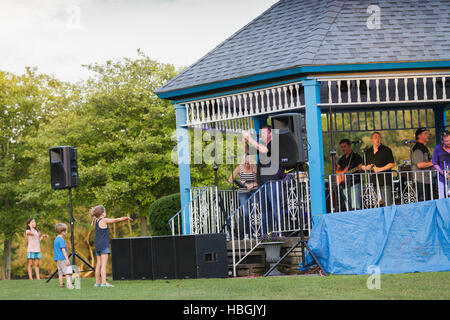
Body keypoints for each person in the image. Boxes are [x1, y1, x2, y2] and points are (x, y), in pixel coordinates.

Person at [242, 126, 284, 235]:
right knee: (264, 211)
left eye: (263, 134)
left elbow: (264, 150)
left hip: (273, 183)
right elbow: (247, 151)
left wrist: (250, 138)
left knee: (275, 209)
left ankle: (281, 233)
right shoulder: (261, 145)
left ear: (270, 134)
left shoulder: (274, 143)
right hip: (262, 184)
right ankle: (267, 235)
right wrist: (245, 142)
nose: (261, 136)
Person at [90, 205, 133, 287]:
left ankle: (97, 283)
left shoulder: (95, 220)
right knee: (103, 265)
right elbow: (115, 220)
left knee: (98, 264)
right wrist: (126, 218)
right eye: (105, 211)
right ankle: (104, 283)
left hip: (97, 245)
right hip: (104, 245)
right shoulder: (104, 220)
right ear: (102, 214)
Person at [360, 132, 395, 206]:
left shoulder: (386, 150)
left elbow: (392, 164)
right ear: (372, 140)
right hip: (373, 182)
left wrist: (380, 169)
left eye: (379, 137)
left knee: (387, 203)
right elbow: (362, 166)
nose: (378, 139)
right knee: (376, 205)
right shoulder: (367, 152)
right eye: (375, 138)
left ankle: (389, 217)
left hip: (385, 181)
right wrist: (367, 167)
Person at [228, 154, 258, 239]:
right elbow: (230, 179)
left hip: (253, 191)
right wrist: (239, 182)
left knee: (254, 211)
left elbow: (259, 180)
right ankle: (246, 234)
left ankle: (255, 232)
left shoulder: (254, 167)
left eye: (248, 163)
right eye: (245, 163)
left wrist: (253, 184)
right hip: (243, 192)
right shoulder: (239, 168)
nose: (247, 165)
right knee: (245, 213)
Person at [336, 139, 363, 211]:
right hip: (344, 185)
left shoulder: (356, 156)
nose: (343, 149)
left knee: (355, 206)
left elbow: (361, 167)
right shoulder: (342, 159)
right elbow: (337, 171)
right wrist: (342, 172)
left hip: (354, 183)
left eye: (345, 146)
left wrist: (361, 168)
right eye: (342, 147)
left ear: (350, 146)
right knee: (348, 208)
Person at [411, 128, 436, 201]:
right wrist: (433, 162)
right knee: (423, 203)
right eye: (425, 133)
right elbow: (420, 165)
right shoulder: (418, 148)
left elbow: (427, 161)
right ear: (419, 136)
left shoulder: (424, 147)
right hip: (421, 181)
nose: (428, 135)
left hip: (427, 179)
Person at [53, 223, 74, 289]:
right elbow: (63, 250)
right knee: (67, 272)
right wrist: (67, 259)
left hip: (58, 259)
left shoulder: (56, 239)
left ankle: (61, 285)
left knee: (60, 273)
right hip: (63, 258)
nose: (66, 232)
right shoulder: (62, 240)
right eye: (66, 231)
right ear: (63, 232)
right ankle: (69, 284)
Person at [432, 130, 450, 199]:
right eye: (446, 141)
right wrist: (443, 172)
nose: (449, 142)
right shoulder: (438, 148)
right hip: (442, 178)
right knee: (443, 198)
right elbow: (435, 163)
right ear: (442, 141)